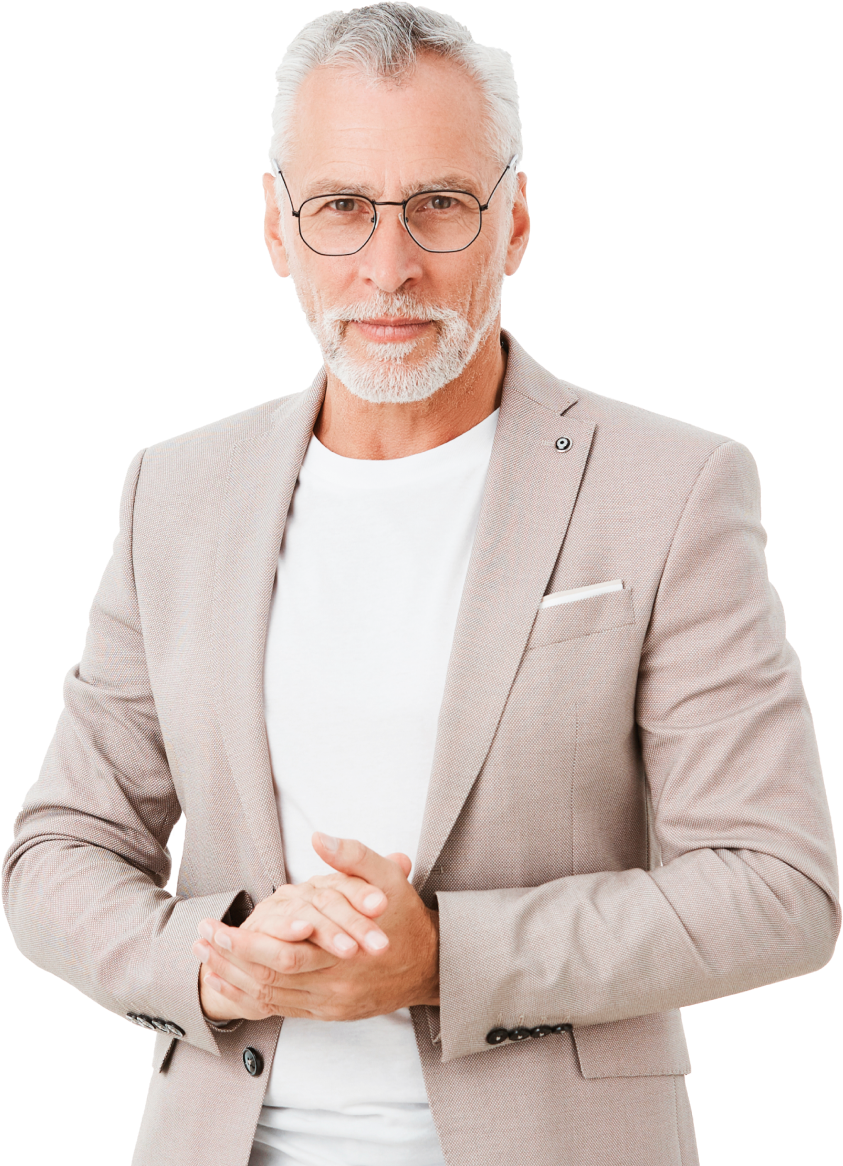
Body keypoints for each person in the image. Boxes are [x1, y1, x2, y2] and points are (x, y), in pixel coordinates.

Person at [3, 5, 839, 1165]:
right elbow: (58, 849)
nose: (388, 266)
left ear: (516, 223)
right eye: (341, 207)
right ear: (276, 229)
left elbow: (776, 886)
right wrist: (211, 950)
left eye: (440, 203)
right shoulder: (177, 491)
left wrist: (446, 954)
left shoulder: (674, 487)